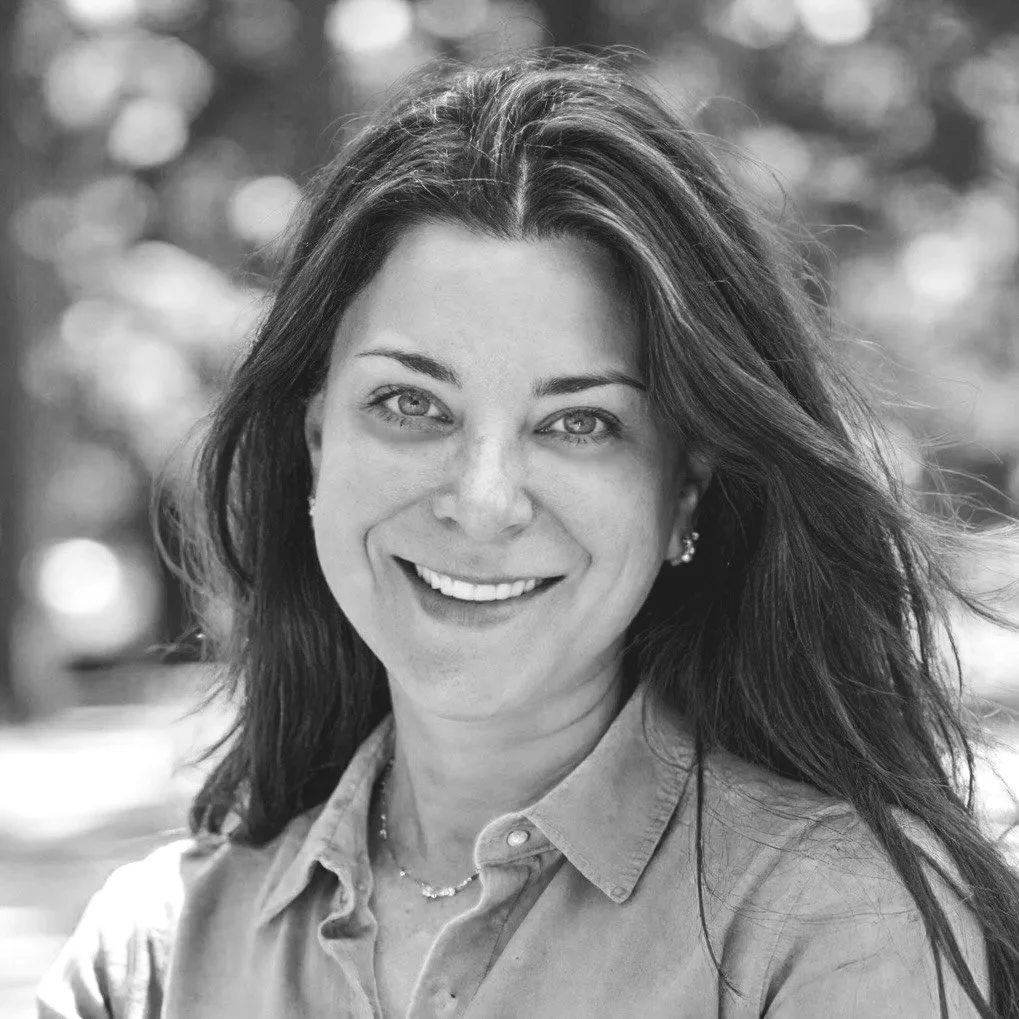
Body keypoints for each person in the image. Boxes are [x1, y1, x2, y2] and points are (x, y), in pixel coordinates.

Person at [37, 48, 1019, 1019]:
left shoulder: (826, 919)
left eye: (577, 422)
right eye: (408, 403)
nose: (482, 497)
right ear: (315, 443)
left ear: (683, 492)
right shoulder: (152, 956)